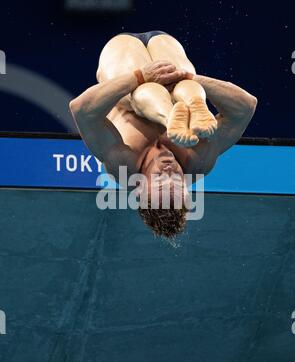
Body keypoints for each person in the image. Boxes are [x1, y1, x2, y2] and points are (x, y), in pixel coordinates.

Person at [69, 31, 257, 237]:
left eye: (160, 177)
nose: (170, 168)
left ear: (140, 188)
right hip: (167, 55)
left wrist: (139, 75)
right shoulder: (199, 161)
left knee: (140, 94)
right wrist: (189, 77)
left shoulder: (122, 163)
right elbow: (245, 107)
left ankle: (170, 117)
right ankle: (189, 103)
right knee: (182, 88)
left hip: (123, 59)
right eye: (178, 177)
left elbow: (81, 109)